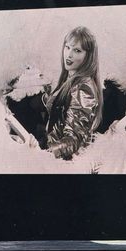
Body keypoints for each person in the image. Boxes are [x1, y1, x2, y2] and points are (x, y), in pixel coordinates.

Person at [41, 26, 103, 160]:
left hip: (67, 165)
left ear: (88, 56)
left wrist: (42, 155)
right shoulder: (71, 79)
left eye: (77, 50)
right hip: (57, 158)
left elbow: (73, 140)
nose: (69, 55)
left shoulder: (83, 88)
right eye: (67, 47)